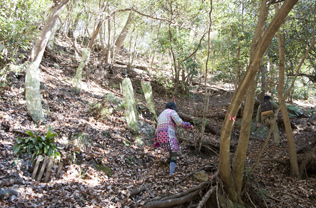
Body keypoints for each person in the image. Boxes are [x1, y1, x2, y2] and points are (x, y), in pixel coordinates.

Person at [154, 102, 194, 175]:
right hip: (168, 135)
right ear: (173, 108)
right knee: (174, 151)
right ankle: (171, 173)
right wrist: (189, 125)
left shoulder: (160, 115)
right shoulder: (172, 112)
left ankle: (167, 163)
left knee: (170, 148)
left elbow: (157, 129)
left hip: (160, 137)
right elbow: (180, 123)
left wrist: (156, 140)